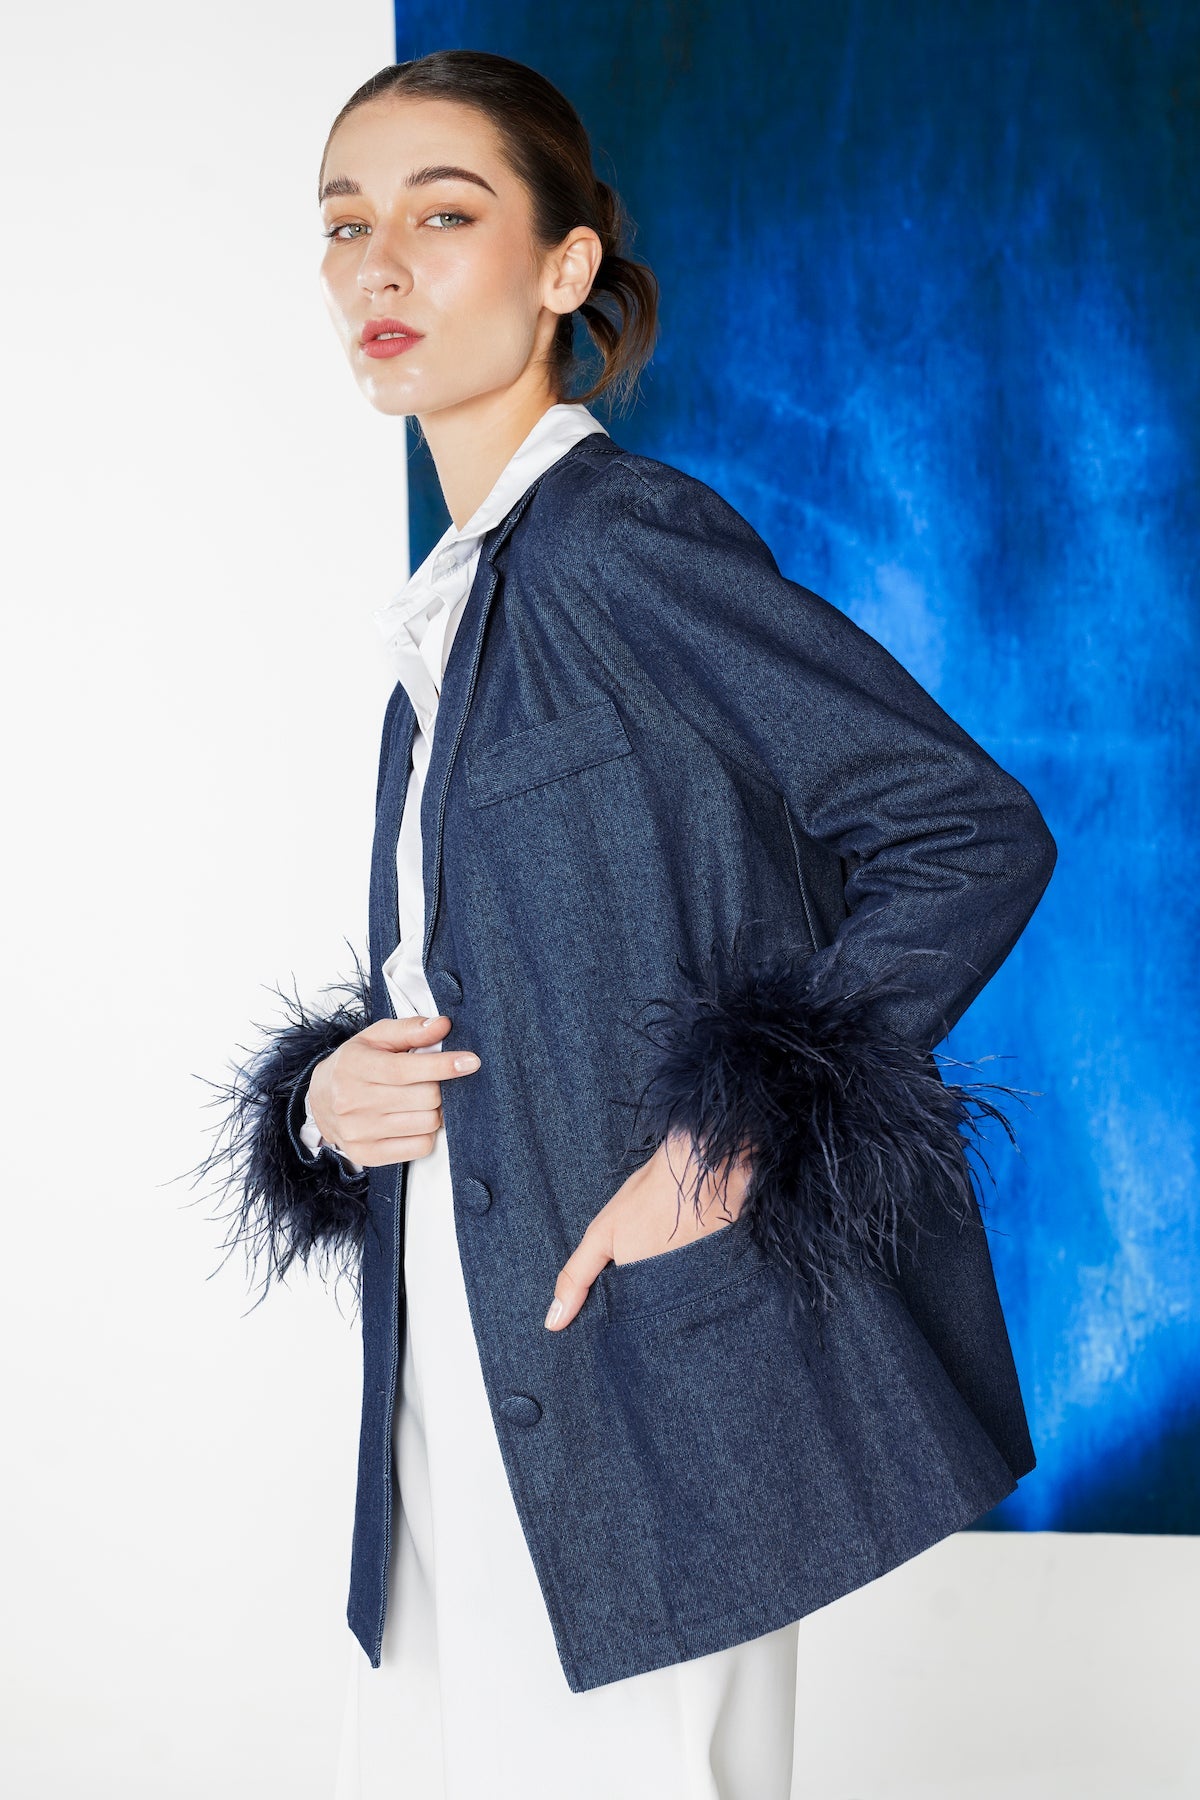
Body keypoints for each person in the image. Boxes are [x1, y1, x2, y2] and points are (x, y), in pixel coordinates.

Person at [194, 48, 1057, 1800]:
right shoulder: (456, 613)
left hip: (642, 1362)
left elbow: (963, 829)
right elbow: (491, 974)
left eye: (445, 216)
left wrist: (734, 1138)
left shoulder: (616, 542)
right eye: (346, 224)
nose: (380, 264)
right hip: (457, 1356)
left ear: (564, 267)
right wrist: (327, 1101)